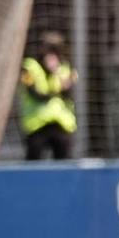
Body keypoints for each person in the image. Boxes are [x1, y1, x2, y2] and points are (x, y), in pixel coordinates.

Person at [18, 33, 78, 161]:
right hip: (37, 125)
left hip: (61, 125)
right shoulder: (29, 67)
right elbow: (35, 93)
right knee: (33, 163)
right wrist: (55, 91)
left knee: (64, 163)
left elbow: (68, 93)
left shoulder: (65, 68)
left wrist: (55, 73)